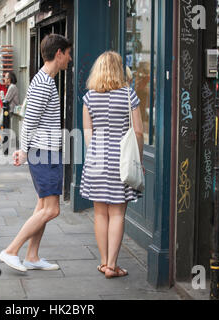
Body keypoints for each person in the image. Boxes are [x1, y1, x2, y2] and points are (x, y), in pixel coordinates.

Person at [0, 34, 72, 272]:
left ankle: (32, 256)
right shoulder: (43, 83)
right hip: (44, 152)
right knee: (52, 209)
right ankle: (11, 250)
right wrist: (23, 149)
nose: (70, 59)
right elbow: (30, 120)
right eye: (68, 53)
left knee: (42, 207)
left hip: (45, 151)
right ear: (58, 53)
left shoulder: (45, 80)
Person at [80, 51, 144, 278]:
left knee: (100, 213)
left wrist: (94, 155)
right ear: (119, 70)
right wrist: (139, 159)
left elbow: (88, 134)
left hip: (97, 158)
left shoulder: (89, 98)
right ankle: (112, 266)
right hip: (121, 159)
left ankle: (104, 261)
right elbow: (137, 132)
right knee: (117, 213)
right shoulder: (129, 96)